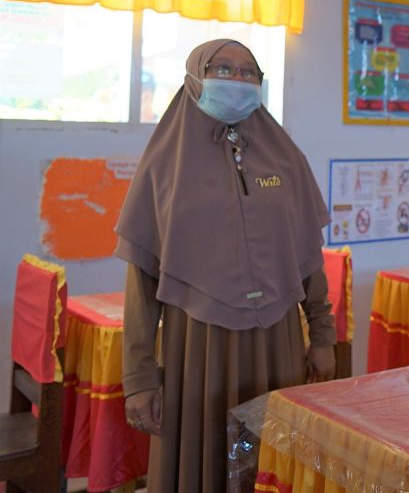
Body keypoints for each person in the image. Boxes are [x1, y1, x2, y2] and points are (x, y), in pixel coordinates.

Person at [116, 39, 336, 492]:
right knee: (204, 460)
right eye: (223, 69)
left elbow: (308, 256)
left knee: (274, 458)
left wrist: (323, 336)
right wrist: (138, 376)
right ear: (195, 78)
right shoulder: (164, 165)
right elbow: (141, 275)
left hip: (278, 343)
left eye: (248, 72)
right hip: (197, 348)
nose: (237, 80)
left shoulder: (285, 158)